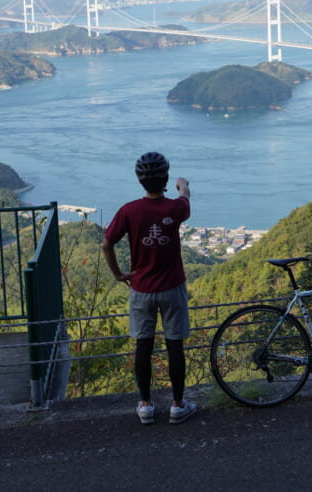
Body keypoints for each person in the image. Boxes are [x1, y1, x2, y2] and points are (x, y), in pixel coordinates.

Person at [102, 151, 196, 425]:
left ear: (139, 180)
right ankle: (178, 405)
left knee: (143, 345)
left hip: (141, 288)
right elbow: (185, 198)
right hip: (172, 287)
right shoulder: (174, 209)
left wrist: (119, 274)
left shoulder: (129, 210)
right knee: (174, 345)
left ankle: (145, 405)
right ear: (165, 178)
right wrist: (183, 185)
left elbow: (107, 244)